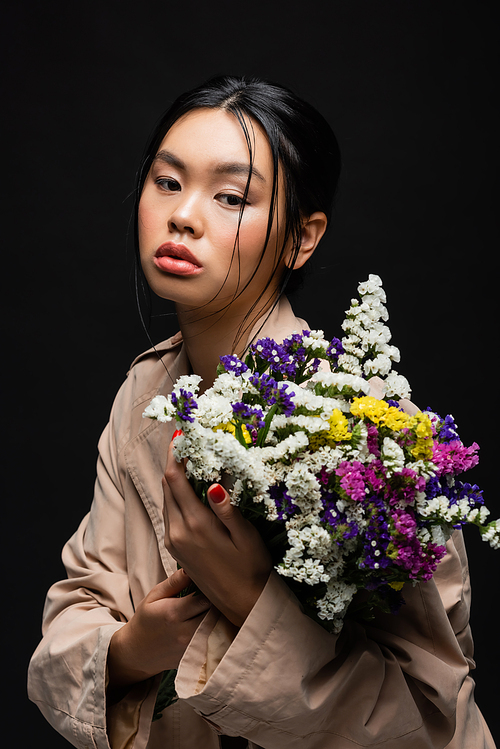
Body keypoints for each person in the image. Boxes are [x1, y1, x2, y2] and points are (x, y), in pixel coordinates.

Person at [28, 75, 495, 749]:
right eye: (166, 182)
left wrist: (252, 602)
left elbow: (430, 721)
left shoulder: (367, 432)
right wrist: (135, 646)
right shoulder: (145, 395)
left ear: (301, 239)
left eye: (229, 196)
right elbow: (75, 611)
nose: (184, 214)